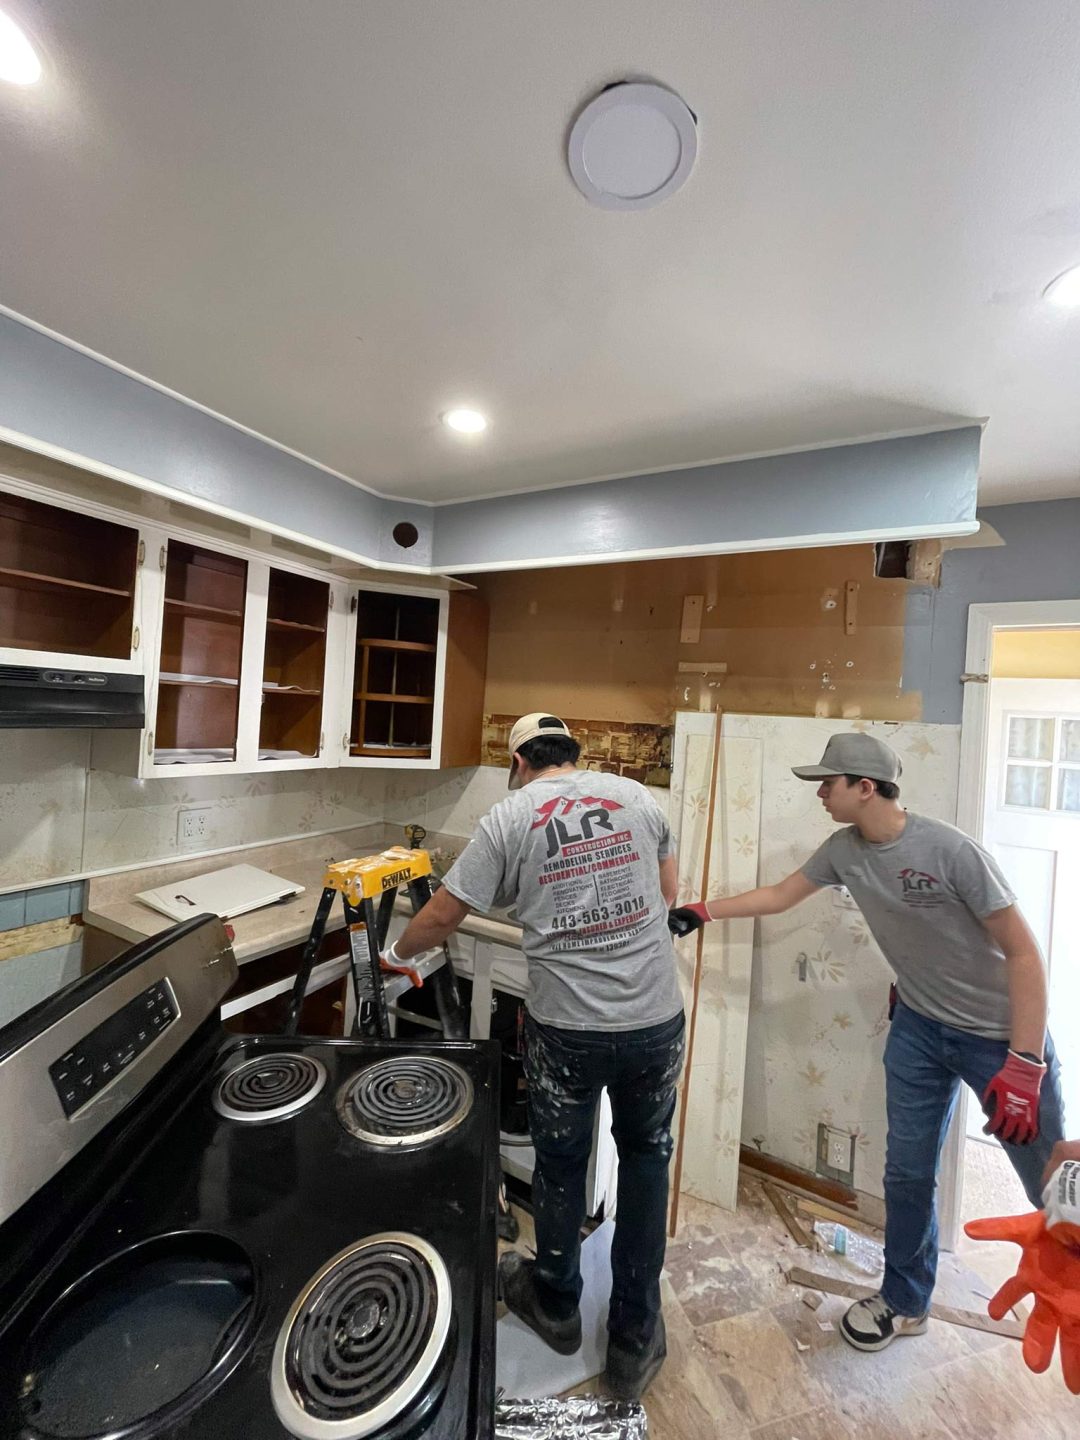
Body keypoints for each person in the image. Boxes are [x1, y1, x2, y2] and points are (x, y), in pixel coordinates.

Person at [668, 731, 1066, 1353]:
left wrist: (1024, 1060)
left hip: (1002, 1039)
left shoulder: (951, 851)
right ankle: (906, 1302)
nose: (821, 793)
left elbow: (1024, 953)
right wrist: (702, 910)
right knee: (906, 1174)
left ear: (866, 787)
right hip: (919, 1030)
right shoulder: (844, 851)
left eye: (829, 783)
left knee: (1052, 1180)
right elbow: (780, 896)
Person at [382, 712, 685, 1399]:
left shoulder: (509, 816)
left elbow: (442, 914)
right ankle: (636, 1336)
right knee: (646, 1160)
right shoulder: (636, 797)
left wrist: (396, 956)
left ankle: (555, 1304)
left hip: (569, 1033)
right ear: (574, 758)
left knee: (560, 1163)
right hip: (654, 1023)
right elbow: (666, 893)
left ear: (517, 763)